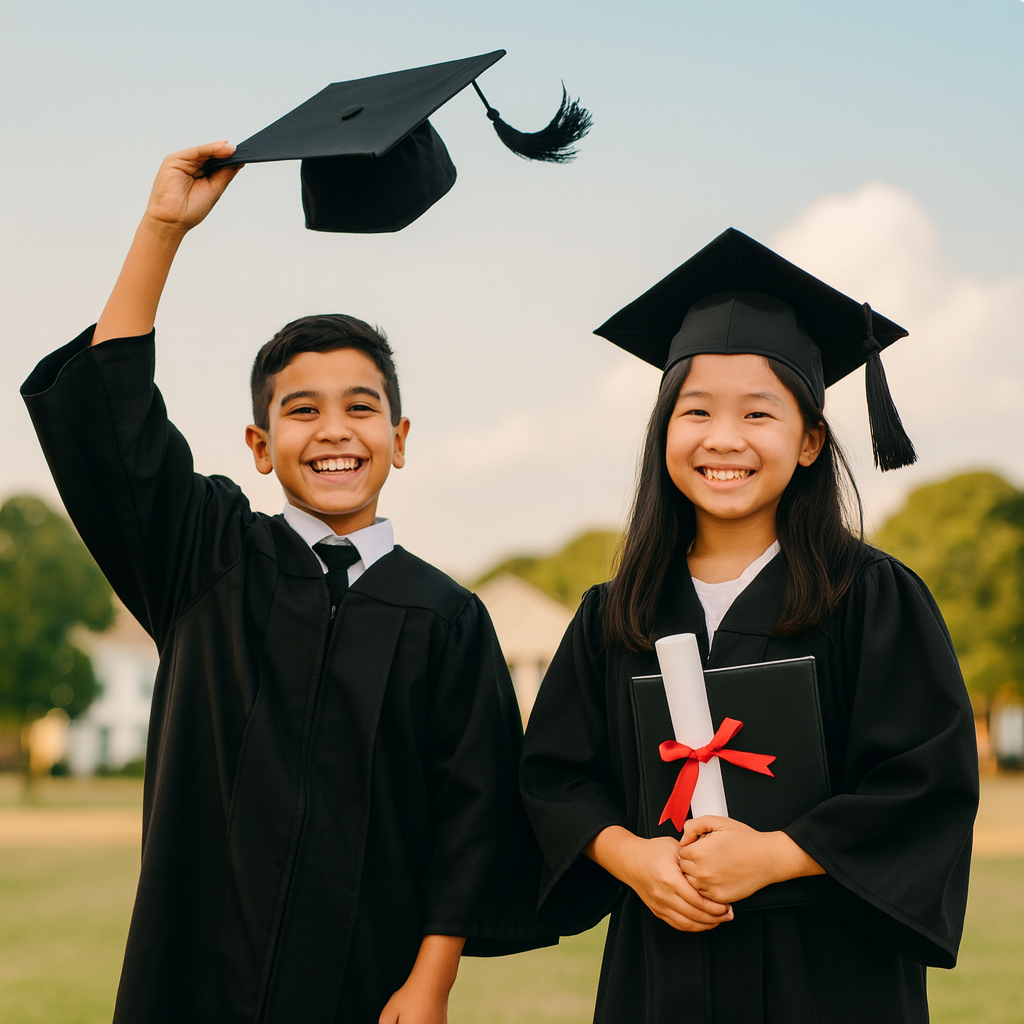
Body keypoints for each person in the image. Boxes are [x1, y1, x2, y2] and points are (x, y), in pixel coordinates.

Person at [21, 142, 550, 1024]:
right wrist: (161, 230)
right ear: (260, 446)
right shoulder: (207, 557)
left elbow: (473, 819)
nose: (334, 430)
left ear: (401, 436)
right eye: (301, 410)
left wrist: (431, 985)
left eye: (360, 406)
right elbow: (115, 420)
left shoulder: (448, 618)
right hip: (194, 984)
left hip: (368, 988)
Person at [519, 228, 979, 1023]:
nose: (723, 438)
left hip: (830, 982)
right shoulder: (614, 613)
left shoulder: (871, 598)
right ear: (664, 431)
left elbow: (925, 785)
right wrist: (632, 859)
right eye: (695, 411)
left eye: (758, 413)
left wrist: (773, 855)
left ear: (809, 442)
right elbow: (554, 778)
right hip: (658, 978)